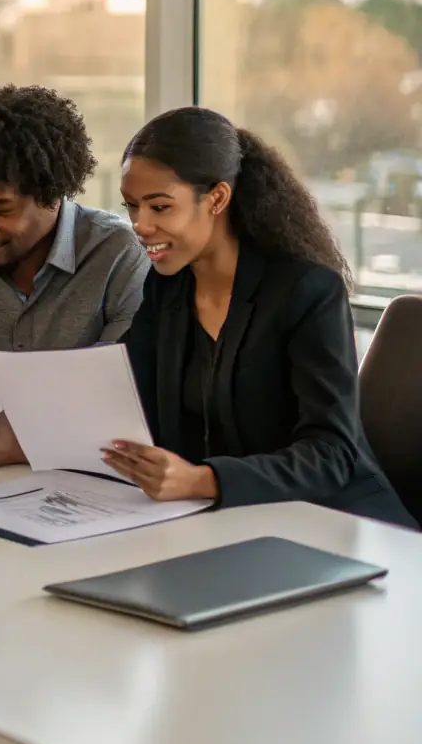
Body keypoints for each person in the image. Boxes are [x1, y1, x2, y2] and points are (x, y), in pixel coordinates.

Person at [104, 105, 416, 527]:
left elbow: (332, 455)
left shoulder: (306, 291)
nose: (139, 225)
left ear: (217, 198)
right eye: (132, 207)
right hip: (230, 523)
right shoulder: (168, 287)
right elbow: (123, 396)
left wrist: (203, 480)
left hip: (340, 524)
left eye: (159, 208)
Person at [0, 82, 148, 470]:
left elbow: (122, 404)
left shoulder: (116, 252)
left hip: (84, 482)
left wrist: (16, 447)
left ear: (52, 197)